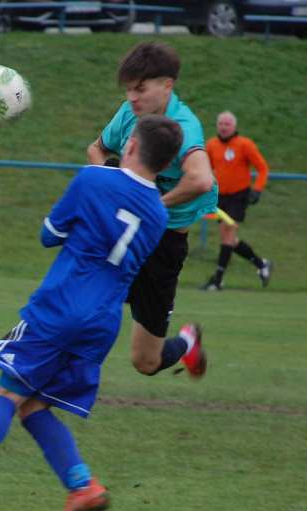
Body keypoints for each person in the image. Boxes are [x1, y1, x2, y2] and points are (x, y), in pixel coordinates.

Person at [0, 115, 183, 511]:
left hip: (60, 308)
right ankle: (82, 487)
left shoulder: (93, 179)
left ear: (130, 147)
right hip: (101, 325)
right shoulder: (157, 215)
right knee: (34, 406)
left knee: (8, 390)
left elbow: (49, 234)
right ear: (166, 165)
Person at [86, 41, 217, 378]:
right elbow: (97, 150)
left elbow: (201, 180)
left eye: (140, 89)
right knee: (79, 299)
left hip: (163, 243)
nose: (132, 97)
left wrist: (151, 205)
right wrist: (110, 194)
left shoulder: (183, 127)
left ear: (167, 85)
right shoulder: (129, 113)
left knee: (146, 362)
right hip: (126, 231)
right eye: (129, 89)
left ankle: (187, 342)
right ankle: (26, 345)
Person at [202, 111, 271, 291]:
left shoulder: (244, 144)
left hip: (239, 196)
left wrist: (257, 189)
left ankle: (217, 280)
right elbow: (205, 169)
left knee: (228, 232)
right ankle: (261, 264)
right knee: (229, 239)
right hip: (221, 197)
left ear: (234, 127)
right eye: (221, 124)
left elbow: (262, 168)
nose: (223, 127)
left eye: (227, 124)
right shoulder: (211, 145)